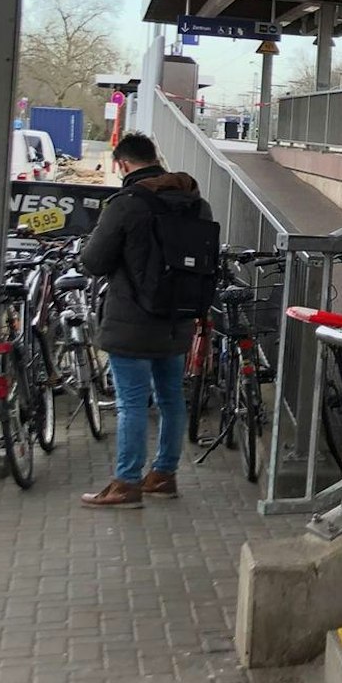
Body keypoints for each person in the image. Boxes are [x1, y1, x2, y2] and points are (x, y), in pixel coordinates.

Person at [78, 132, 211, 507]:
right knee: (172, 399)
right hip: (178, 318)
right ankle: (164, 476)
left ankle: (127, 482)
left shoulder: (127, 204)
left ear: (122, 164)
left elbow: (94, 262)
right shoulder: (197, 204)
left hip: (131, 321)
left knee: (132, 403)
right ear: (156, 158)